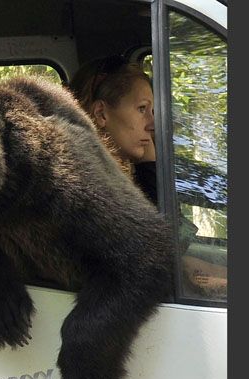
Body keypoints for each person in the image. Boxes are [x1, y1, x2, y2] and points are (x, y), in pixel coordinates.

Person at [70, 55, 227, 298]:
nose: (152, 123)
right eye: (142, 109)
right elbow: (163, 249)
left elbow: (174, 254)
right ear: (101, 114)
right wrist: (150, 163)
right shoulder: (86, 184)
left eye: (152, 111)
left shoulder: (116, 172)